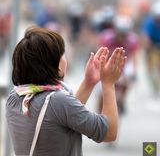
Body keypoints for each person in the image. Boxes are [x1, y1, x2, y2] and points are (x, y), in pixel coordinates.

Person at [6, 26, 126, 156]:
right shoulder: (57, 101)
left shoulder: (15, 97)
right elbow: (109, 133)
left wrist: (88, 83)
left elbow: (63, 116)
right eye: (63, 54)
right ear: (54, 64)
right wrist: (108, 83)